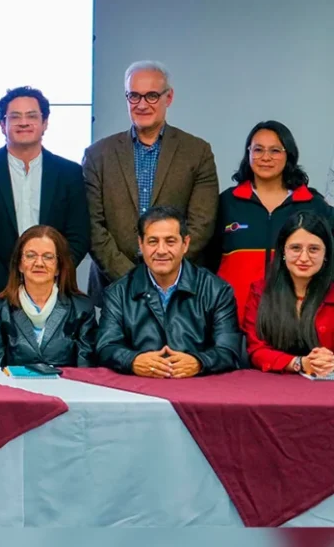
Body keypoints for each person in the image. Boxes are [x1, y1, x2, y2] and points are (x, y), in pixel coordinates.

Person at [84, 60, 219, 306]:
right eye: (134, 96)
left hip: (179, 292)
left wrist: (165, 272)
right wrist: (133, 279)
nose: (142, 104)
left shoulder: (197, 152)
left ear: (169, 97)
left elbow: (202, 223)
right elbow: (93, 227)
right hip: (114, 289)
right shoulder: (97, 154)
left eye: (152, 96)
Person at [0, 86, 90, 325]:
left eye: (32, 116)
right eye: (15, 117)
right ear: (3, 124)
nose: (23, 122)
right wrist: (9, 288)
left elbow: (79, 235)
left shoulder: (69, 173)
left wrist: (49, 281)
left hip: (55, 297)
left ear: (45, 123)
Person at [97, 206, 242, 377]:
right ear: (141, 244)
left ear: (185, 244)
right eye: (153, 241)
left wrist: (199, 362)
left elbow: (229, 350)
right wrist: (133, 361)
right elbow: (105, 347)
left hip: (197, 386)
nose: (161, 250)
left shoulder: (216, 290)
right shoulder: (118, 293)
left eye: (170, 241)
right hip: (138, 387)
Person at [212, 121, 332, 325]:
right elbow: (207, 259)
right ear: (248, 153)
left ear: (289, 155)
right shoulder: (226, 203)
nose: (265, 157)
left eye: (275, 150)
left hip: (295, 323)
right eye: (258, 149)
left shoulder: (312, 204)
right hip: (232, 321)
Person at [0, 225, 97, 368]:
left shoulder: (82, 309)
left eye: (48, 257)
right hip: (13, 383)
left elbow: (86, 372)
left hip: (66, 383)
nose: (39, 263)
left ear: (58, 267)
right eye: (31, 256)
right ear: (19, 264)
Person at [242, 211, 334, 376]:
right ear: (283, 252)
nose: (304, 258)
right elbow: (256, 350)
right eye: (295, 248)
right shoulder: (260, 292)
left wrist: (328, 361)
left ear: (326, 254)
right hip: (274, 385)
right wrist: (300, 363)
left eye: (313, 249)